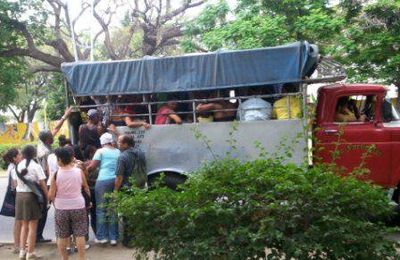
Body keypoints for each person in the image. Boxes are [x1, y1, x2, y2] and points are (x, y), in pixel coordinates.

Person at [36, 107, 72, 243]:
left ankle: (37, 235)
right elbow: (45, 171)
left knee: (45, 208)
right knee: (44, 209)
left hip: (47, 180)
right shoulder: (44, 152)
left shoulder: (43, 141)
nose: (54, 137)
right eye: (51, 138)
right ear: (47, 139)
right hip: (45, 182)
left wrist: (65, 116)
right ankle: (38, 235)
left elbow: (55, 129)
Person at [48, 147, 90, 260]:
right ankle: (82, 258)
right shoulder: (79, 171)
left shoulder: (56, 175)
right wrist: (88, 200)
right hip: (78, 206)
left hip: (61, 208)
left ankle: (64, 258)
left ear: (60, 160)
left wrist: (53, 200)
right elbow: (86, 188)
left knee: (62, 235)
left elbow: (50, 195)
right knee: (80, 234)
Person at [13, 145, 48, 260]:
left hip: (20, 196)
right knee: (33, 226)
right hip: (31, 197)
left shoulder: (18, 165)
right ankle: (30, 253)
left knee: (24, 225)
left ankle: (22, 252)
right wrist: (47, 197)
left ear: (23, 154)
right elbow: (42, 184)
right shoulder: (36, 166)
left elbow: (15, 184)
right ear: (33, 154)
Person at [86, 132, 120, 246]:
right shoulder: (117, 151)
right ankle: (114, 237)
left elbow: (93, 166)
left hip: (103, 181)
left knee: (101, 209)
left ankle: (102, 237)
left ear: (102, 142)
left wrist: (84, 169)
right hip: (115, 181)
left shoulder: (100, 151)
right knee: (113, 209)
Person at [1, 148, 23, 254]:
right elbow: (14, 186)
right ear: (15, 158)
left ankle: (18, 245)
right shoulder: (14, 168)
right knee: (19, 222)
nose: (21, 155)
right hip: (16, 197)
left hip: (15, 196)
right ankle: (17, 246)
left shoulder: (13, 166)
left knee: (19, 222)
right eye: (19, 154)